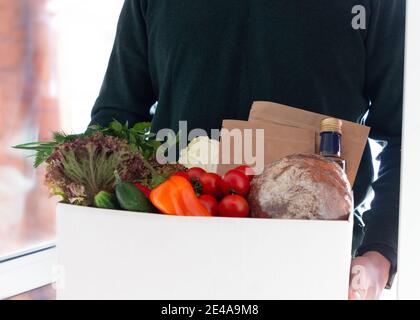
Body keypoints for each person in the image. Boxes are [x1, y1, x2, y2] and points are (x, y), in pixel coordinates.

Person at [90, 0, 406, 300]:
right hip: (171, 260)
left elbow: (404, 136)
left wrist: (381, 250)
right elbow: (116, 114)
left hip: (311, 267)